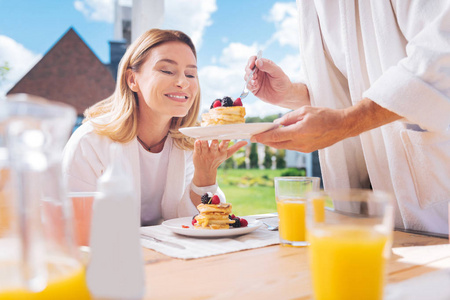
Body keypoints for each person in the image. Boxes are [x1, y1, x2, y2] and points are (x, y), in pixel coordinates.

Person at [246, 1, 450, 234]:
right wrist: (291, 94)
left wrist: (347, 122)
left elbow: (443, 52)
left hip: (434, 201)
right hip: (362, 210)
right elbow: (348, 87)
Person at [62, 29, 246, 226]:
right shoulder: (89, 143)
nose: (183, 82)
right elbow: (74, 227)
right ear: (132, 80)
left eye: (191, 74)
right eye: (167, 70)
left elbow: (193, 223)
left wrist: (205, 177)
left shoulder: (189, 145)